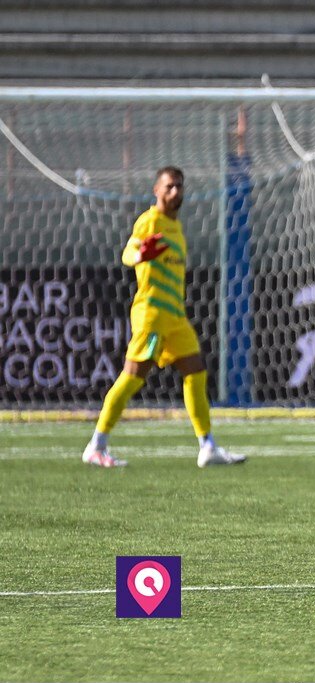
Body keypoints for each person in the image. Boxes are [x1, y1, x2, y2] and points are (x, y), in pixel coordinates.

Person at [82, 166, 247, 468]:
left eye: (180, 187)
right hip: (152, 314)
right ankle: (96, 445)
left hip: (175, 316)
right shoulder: (151, 221)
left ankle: (207, 446)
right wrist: (139, 255)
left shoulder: (177, 229)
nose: (176, 192)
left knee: (196, 372)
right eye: (170, 186)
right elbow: (128, 251)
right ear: (156, 190)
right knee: (132, 378)